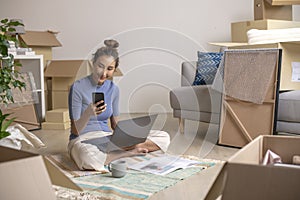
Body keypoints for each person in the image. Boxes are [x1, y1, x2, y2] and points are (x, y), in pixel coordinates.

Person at [68, 39, 170, 171]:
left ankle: (115, 152)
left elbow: (115, 125)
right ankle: (128, 153)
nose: (104, 73)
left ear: (114, 70)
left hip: (106, 138)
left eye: (110, 69)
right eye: (100, 66)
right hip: (83, 140)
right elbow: (75, 131)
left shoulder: (113, 89)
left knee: (164, 137)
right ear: (93, 64)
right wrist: (88, 112)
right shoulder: (77, 87)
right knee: (87, 157)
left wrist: (131, 133)